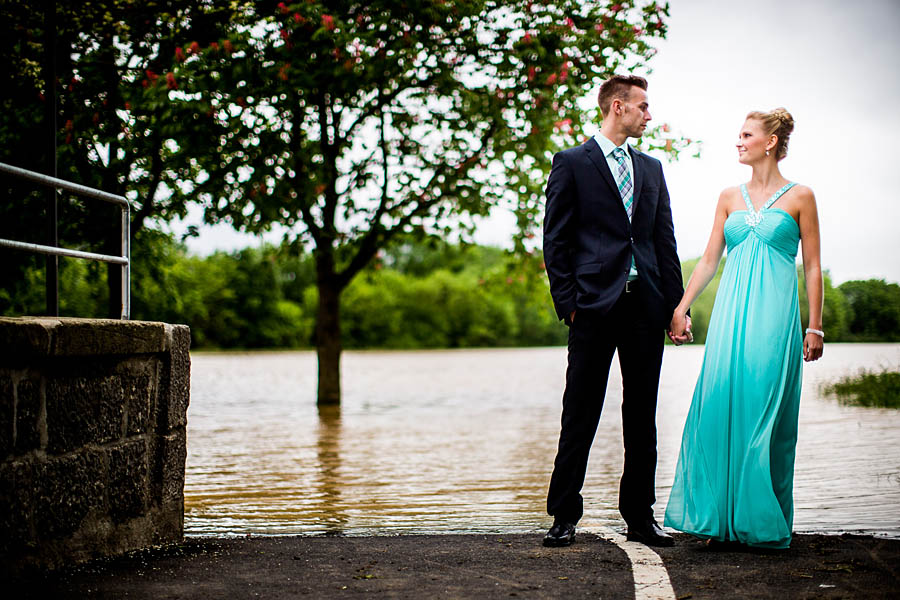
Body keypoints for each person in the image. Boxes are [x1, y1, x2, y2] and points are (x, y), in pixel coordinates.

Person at [664, 108, 824, 549]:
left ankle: (759, 521)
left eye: (746, 135)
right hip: (730, 318)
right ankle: (720, 521)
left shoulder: (801, 197)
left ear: (770, 142)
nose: (738, 141)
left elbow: (811, 266)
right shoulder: (728, 197)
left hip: (775, 320)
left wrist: (816, 326)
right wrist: (681, 307)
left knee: (762, 413)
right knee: (720, 407)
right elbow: (710, 259)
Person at [541, 74, 687, 548]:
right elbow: (556, 241)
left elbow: (664, 241)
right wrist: (569, 306)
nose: (649, 114)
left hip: (646, 306)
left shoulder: (652, 169)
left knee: (641, 415)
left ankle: (640, 518)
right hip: (592, 308)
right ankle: (564, 515)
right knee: (579, 412)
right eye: (644, 106)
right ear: (618, 107)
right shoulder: (571, 163)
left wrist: (676, 306)